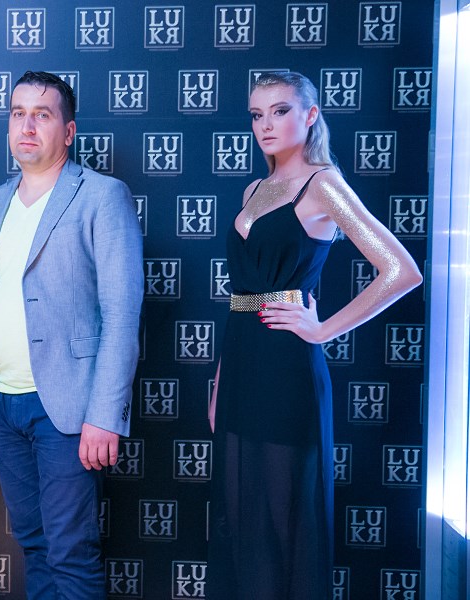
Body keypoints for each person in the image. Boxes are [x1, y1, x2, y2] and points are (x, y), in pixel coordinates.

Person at [206, 71, 422, 599]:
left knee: (283, 518)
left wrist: (323, 329)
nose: (265, 124)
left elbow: (401, 270)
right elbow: (241, 298)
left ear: (310, 115)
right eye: (257, 114)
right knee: (242, 517)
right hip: (240, 364)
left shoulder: (323, 184)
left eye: (280, 111)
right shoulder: (253, 189)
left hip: (286, 369)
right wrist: (218, 385)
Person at [0, 71, 144, 599]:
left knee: (71, 553)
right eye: (18, 114)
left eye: (42, 114)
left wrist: (104, 414)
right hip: (4, 404)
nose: (27, 126)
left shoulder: (102, 196)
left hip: (69, 407)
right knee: (34, 545)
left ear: (69, 130)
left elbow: (122, 315)